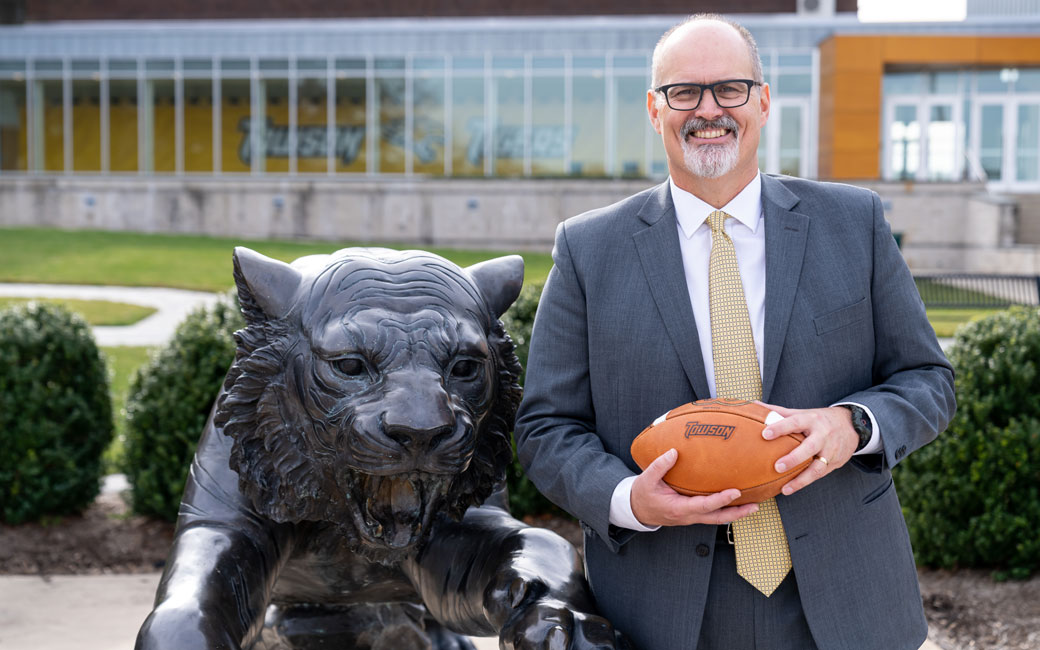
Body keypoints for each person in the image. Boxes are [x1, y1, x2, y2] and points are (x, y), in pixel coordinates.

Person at [514, 13, 956, 650]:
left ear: (764, 101)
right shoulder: (589, 250)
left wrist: (851, 424)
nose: (708, 109)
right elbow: (546, 427)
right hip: (659, 606)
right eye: (684, 92)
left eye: (730, 89)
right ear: (654, 108)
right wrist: (627, 500)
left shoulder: (852, 223)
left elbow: (928, 381)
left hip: (846, 599)